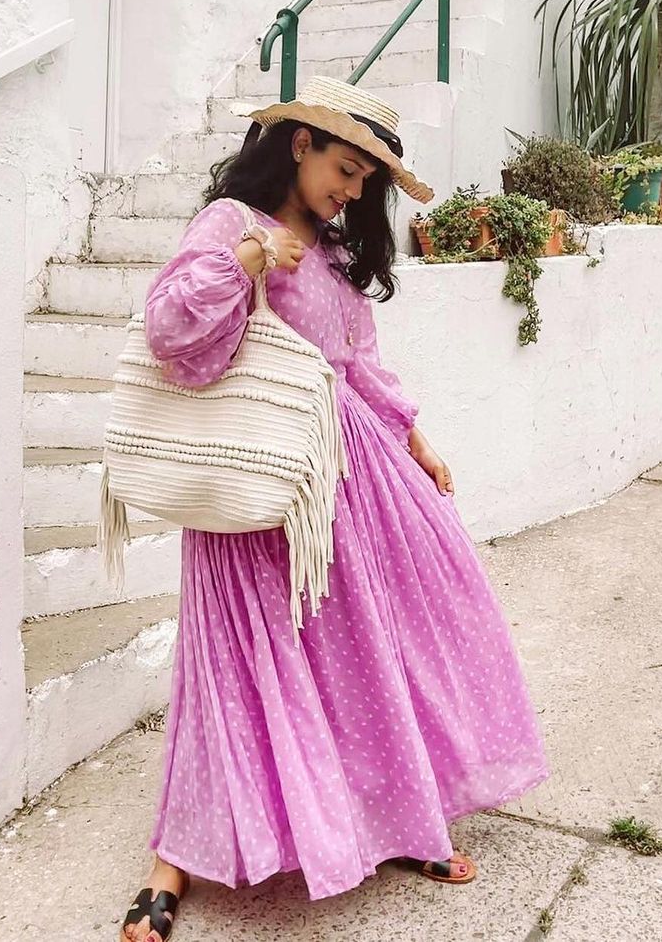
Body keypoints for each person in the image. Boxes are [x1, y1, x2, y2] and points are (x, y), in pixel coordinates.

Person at [118, 77, 550, 942]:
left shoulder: (334, 252)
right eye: (346, 171)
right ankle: (174, 856)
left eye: (365, 183)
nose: (352, 194)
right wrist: (249, 262)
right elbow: (168, 328)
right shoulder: (231, 226)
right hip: (255, 483)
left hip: (345, 478)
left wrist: (414, 438)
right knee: (233, 666)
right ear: (299, 144)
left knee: (371, 646)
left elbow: (358, 362)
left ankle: (395, 818)